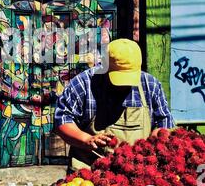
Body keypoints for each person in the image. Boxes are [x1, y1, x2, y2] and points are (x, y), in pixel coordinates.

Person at [54, 38, 175, 173]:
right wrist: (86, 139)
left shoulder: (150, 85)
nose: (123, 85)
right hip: (90, 170)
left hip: (137, 171)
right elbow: (62, 120)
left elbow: (165, 121)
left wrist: (153, 144)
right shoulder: (83, 83)